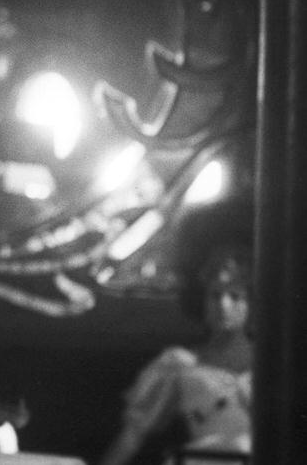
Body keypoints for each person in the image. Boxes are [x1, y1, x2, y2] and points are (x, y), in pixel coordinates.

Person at [98, 198, 253, 465]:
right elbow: (134, 435)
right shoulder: (178, 365)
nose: (223, 306)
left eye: (235, 296)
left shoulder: (278, 365)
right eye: (215, 296)